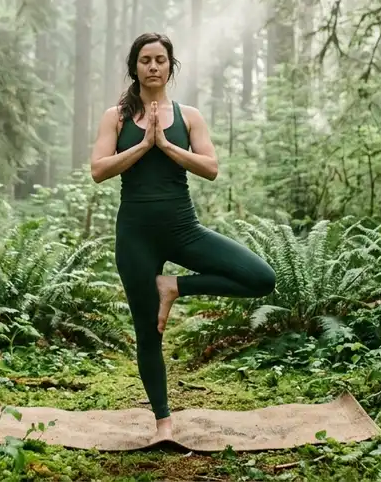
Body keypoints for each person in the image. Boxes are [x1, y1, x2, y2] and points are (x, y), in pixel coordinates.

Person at [89, 32, 277, 441]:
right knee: (147, 331)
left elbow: (210, 168)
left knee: (262, 278)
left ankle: (173, 286)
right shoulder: (116, 117)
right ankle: (163, 423)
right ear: (134, 67)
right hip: (135, 236)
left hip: (183, 230)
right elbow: (99, 169)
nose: (153, 66)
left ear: (170, 67)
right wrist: (143, 145)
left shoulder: (189, 115)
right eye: (145, 60)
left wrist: (166, 146)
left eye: (160, 59)